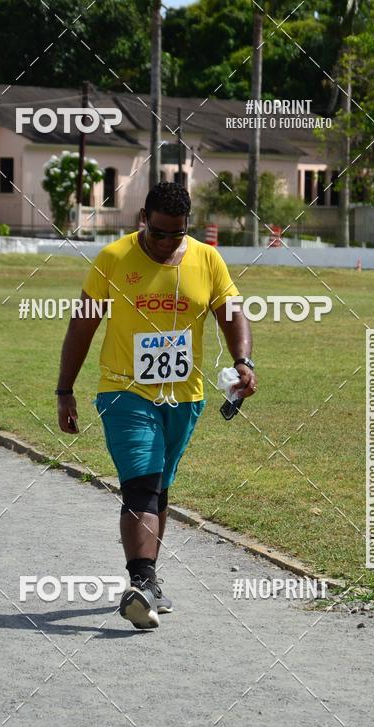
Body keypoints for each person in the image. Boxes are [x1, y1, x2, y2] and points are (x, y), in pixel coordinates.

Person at [56, 181, 256, 630]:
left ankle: (149, 583)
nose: (166, 242)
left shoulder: (207, 260)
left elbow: (232, 313)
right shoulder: (113, 258)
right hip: (124, 391)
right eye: (158, 232)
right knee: (142, 484)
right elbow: (82, 326)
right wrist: (64, 390)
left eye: (176, 233)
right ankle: (141, 582)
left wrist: (243, 361)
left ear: (188, 226)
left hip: (185, 397)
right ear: (143, 218)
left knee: (159, 487)